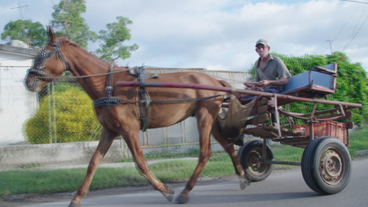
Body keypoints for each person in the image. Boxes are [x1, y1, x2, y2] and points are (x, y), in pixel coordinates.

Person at [232, 39, 291, 146]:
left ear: (268, 48)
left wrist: (269, 82)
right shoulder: (257, 64)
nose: (261, 50)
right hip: (263, 91)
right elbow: (259, 83)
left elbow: (286, 80)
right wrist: (252, 84)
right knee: (239, 98)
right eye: (258, 48)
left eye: (263, 47)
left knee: (263, 93)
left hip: (275, 90)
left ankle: (275, 122)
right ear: (256, 51)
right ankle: (238, 131)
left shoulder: (276, 61)